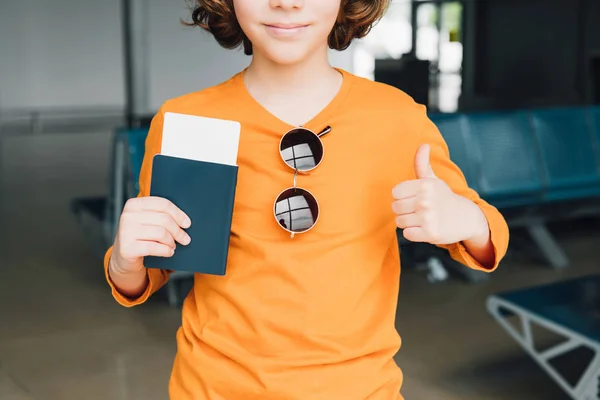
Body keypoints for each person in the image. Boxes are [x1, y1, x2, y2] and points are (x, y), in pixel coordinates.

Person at [104, 0, 510, 398]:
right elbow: (149, 270)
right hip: (212, 388)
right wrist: (125, 260)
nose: (286, 3)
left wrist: (467, 220)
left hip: (359, 390)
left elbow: (489, 237)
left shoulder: (396, 117)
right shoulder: (189, 121)